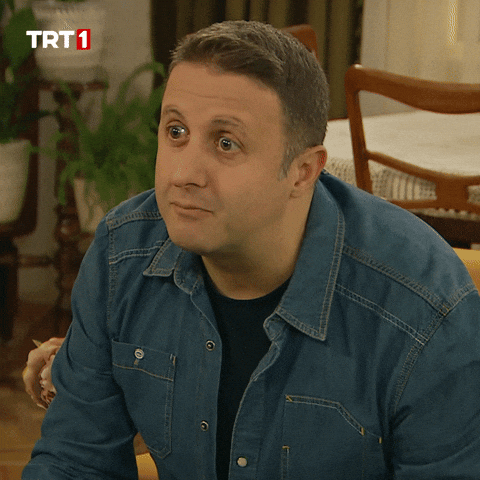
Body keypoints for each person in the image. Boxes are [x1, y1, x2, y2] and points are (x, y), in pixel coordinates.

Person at [22, 20, 480, 480]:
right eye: (176, 132)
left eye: (226, 143)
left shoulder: (424, 311)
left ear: (303, 171)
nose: (183, 174)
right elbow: (74, 461)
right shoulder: (123, 252)